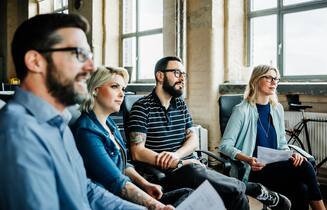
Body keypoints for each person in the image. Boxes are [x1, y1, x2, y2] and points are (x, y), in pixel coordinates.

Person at [0, 13, 144, 210]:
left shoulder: (59, 123)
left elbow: (84, 189)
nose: (91, 67)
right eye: (79, 54)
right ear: (35, 61)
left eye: (89, 56)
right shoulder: (19, 133)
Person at [126, 56, 291, 210]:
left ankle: (248, 190)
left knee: (237, 196)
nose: (182, 78)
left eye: (184, 74)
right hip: (167, 173)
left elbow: (193, 139)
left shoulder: (180, 104)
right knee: (196, 172)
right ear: (160, 76)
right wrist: (176, 162)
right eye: (177, 73)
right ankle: (253, 188)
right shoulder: (142, 107)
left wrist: (178, 155)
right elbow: (137, 152)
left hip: (190, 165)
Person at [72, 66, 191, 210]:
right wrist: (156, 206)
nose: (122, 94)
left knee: (187, 193)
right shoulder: (87, 131)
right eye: (115, 87)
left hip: (126, 190)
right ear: (95, 90)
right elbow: (117, 182)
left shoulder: (110, 123)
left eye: (123, 89)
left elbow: (124, 164)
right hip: (109, 199)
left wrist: (145, 184)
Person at [219, 64, 326, 210]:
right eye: (269, 78)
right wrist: (248, 159)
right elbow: (225, 146)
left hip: (275, 166)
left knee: (302, 188)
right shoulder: (241, 110)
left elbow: (282, 143)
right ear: (256, 80)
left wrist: (292, 154)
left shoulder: (277, 108)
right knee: (306, 167)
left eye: (276, 79)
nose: (274, 82)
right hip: (254, 170)